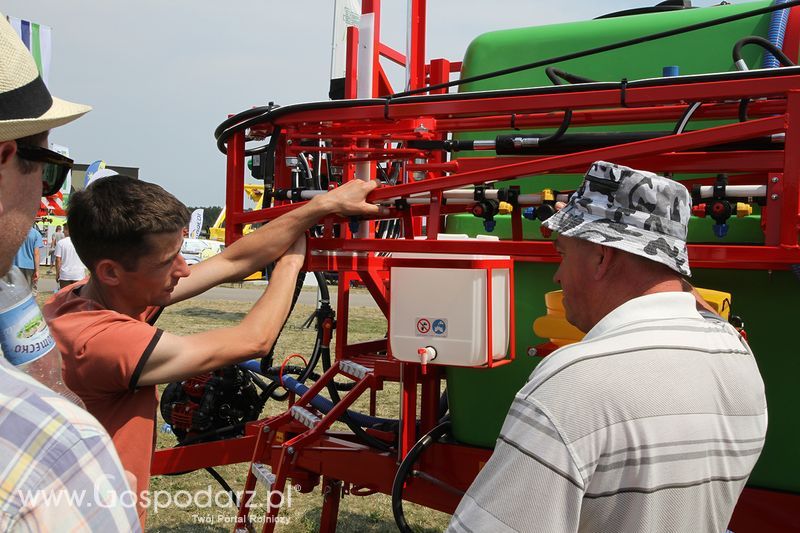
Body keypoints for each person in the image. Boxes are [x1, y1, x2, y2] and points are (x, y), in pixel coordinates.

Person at [448, 161, 767, 533]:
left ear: (602, 257)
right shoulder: (737, 356)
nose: (558, 274)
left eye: (563, 253)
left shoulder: (575, 382)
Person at [44, 173, 380, 524]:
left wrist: (320, 207)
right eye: (167, 262)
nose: (184, 270)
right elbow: (254, 340)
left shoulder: (88, 296)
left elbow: (230, 262)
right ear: (111, 271)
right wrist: (291, 264)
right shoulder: (101, 342)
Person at [0, 14, 140, 531]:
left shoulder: (17, 298)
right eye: (49, 165)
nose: (43, 194)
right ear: (6, 155)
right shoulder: (57, 452)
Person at [12, 224, 44, 291]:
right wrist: (37, 270)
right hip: (29, 266)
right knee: (29, 290)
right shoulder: (36, 234)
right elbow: (36, 253)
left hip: (15, 264)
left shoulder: (15, 232)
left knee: (16, 289)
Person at [54, 224, 86, 288]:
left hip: (65, 274)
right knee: (78, 296)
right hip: (79, 274)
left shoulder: (61, 243)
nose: (63, 232)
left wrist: (57, 273)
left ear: (67, 230)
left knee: (65, 296)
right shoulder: (82, 242)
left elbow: (58, 259)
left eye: (64, 230)